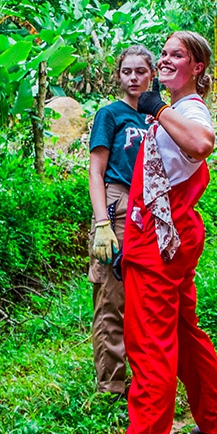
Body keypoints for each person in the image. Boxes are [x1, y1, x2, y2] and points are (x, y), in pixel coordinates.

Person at [93, 31, 217, 434]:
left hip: (159, 241)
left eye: (179, 55)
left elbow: (200, 144)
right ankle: (216, 418)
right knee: (183, 332)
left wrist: (156, 107)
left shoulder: (189, 111)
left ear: (197, 67)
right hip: (167, 236)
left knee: (149, 343)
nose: (167, 59)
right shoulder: (178, 109)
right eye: (165, 53)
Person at [87, 46, 154, 397]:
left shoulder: (159, 115)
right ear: (118, 76)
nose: (133, 78)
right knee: (111, 296)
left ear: (152, 75)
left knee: (144, 295)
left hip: (152, 207)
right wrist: (102, 223)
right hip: (118, 203)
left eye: (140, 71)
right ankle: (112, 385)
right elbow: (95, 171)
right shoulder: (110, 115)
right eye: (127, 72)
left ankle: (148, 377)